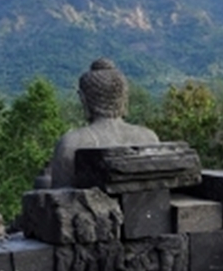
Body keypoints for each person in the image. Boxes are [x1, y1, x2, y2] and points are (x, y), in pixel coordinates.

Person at [49, 58, 159, 188]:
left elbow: (59, 200)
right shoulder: (149, 138)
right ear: (124, 98)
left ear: (83, 99)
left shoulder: (71, 144)